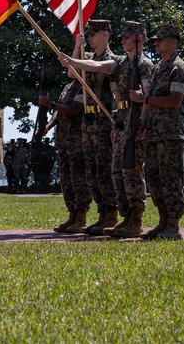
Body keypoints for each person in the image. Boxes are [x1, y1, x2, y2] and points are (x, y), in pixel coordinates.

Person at [62, 20, 153, 237]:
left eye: (126, 37)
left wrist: (143, 124)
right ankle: (117, 216)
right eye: (121, 36)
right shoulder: (123, 62)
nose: (122, 40)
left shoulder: (143, 64)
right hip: (119, 122)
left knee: (128, 172)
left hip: (130, 123)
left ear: (139, 38)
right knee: (111, 173)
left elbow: (147, 98)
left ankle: (132, 219)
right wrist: (74, 59)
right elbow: (99, 70)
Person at [130, 24, 184, 240]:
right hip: (154, 132)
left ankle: (173, 226)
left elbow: (175, 101)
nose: (156, 43)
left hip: (171, 134)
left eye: (161, 40)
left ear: (174, 42)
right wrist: (143, 125)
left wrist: (144, 99)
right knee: (154, 179)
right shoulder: (157, 68)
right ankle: (163, 222)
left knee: (170, 178)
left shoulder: (179, 68)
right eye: (155, 40)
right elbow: (152, 102)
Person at [70, 19, 118, 235]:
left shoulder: (114, 60)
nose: (89, 38)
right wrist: (77, 48)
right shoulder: (87, 57)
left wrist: (74, 59)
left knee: (105, 170)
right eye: (87, 35)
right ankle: (102, 214)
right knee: (93, 172)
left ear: (105, 35)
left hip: (104, 121)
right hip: (89, 122)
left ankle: (111, 214)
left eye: (93, 34)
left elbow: (91, 67)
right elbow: (73, 74)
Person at [39, 77, 88, 233]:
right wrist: (47, 126)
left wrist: (51, 104)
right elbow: (57, 113)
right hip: (63, 140)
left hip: (76, 140)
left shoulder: (83, 85)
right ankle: (72, 215)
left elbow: (75, 110)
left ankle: (81, 217)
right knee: (66, 180)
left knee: (78, 179)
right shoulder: (68, 86)